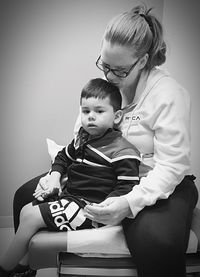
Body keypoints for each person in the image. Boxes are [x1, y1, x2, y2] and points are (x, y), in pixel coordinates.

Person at [11, 3, 198, 277]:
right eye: (104, 65)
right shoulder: (107, 87)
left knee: (156, 240)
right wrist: (55, 174)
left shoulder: (169, 95)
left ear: (143, 61)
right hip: (101, 175)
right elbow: (82, 137)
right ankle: (24, 269)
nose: (108, 76)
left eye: (119, 70)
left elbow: (172, 167)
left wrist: (128, 203)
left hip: (154, 182)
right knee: (23, 196)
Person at [0, 78, 141, 277]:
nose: (91, 117)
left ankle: (5, 270)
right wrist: (55, 177)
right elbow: (62, 157)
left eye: (99, 111)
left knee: (31, 217)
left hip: (91, 208)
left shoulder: (123, 150)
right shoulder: (82, 138)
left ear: (117, 116)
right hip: (70, 197)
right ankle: (25, 267)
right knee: (25, 210)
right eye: (86, 111)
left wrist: (105, 208)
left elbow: (127, 189)